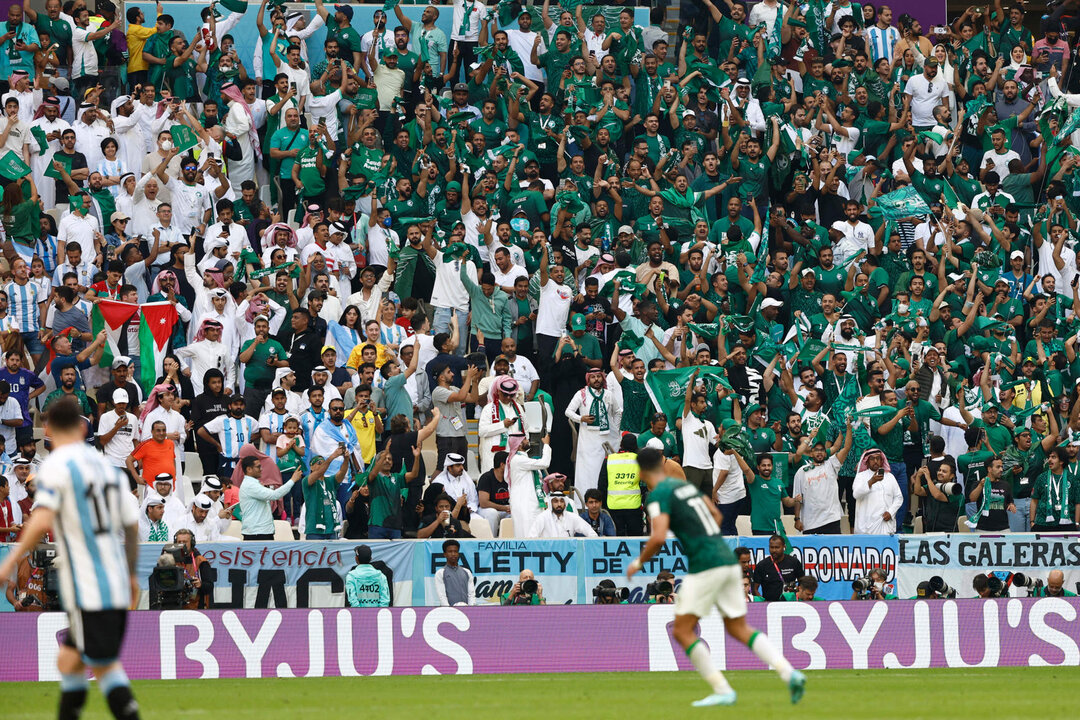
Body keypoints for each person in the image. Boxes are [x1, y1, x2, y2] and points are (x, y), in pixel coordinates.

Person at [628, 447, 805, 707]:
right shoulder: (686, 489)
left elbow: (657, 536)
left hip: (706, 564)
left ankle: (722, 689)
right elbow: (716, 515)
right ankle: (790, 672)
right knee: (738, 627)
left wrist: (638, 562)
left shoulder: (658, 496)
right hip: (726, 559)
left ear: (642, 472)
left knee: (682, 630)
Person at [0, 397, 143, 720]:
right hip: (113, 577)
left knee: (105, 667)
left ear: (47, 429)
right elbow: (131, 526)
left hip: (89, 584)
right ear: (82, 428)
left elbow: (41, 518)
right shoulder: (106, 468)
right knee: (69, 662)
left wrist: (10, 563)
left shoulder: (58, 464)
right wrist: (131, 574)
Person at [238, 455, 300, 540]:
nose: (261, 469)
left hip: (260, 532)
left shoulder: (252, 483)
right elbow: (274, 495)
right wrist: (292, 480)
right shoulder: (250, 485)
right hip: (257, 534)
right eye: (258, 467)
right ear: (249, 469)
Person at [752, 535, 805, 602]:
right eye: (772, 547)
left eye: (777, 547)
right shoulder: (762, 565)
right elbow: (754, 589)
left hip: (790, 603)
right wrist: (763, 603)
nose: (774, 550)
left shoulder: (794, 562)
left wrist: (797, 592)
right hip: (770, 604)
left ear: (784, 547)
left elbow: (803, 581)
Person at [528, 491, 599, 538]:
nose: (559, 504)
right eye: (555, 501)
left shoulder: (572, 517)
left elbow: (590, 531)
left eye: (562, 501)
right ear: (551, 503)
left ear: (565, 504)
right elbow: (532, 538)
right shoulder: (542, 517)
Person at [434, 539, 475, 606]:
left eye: (455, 551)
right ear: (445, 554)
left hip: (467, 611)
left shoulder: (467, 572)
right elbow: (442, 596)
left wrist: (470, 609)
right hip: (449, 612)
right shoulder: (440, 573)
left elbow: (471, 594)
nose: (453, 554)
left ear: (458, 553)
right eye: (450, 551)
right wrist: (449, 611)